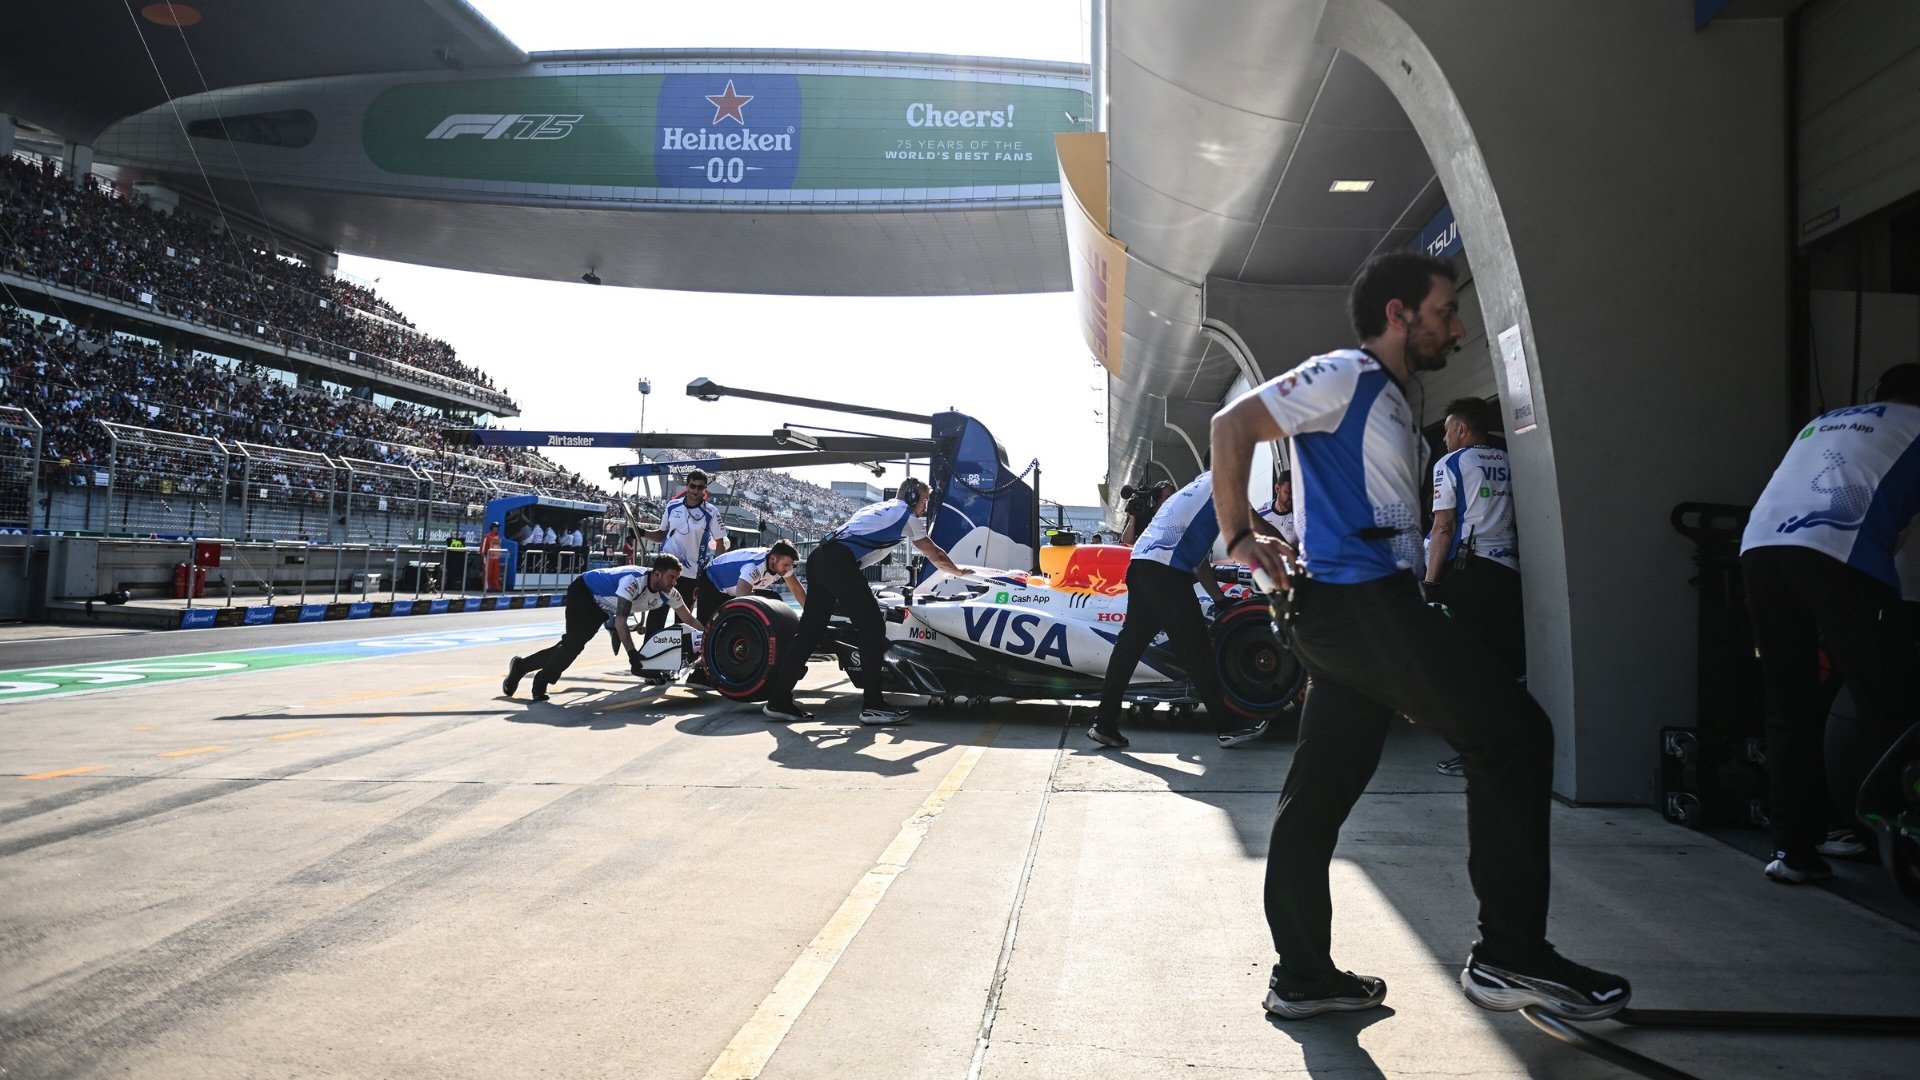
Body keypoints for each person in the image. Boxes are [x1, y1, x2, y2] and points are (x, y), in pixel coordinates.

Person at [1208, 251, 1629, 1022]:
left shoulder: (1394, 400)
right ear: (1399, 314)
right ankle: (1509, 955)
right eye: (1444, 311)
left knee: (1318, 798)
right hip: (1356, 607)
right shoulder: (1344, 372)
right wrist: (1239, 532)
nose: (1457, 326)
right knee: (1513, 737)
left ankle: (1302, 975)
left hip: (1357, 612)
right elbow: (1231, 423)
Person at [1740, 363, 1920, 884]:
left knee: (1790, 707)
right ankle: (1895, 840)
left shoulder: (1824, 423)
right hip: (1842, 554)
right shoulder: (1914, 425)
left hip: (1762, 552)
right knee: (1892, 703)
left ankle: (1795, 851)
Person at [761, 476, 969, 725]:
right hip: (839, 563)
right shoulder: (907, 516)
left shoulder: (877, 508)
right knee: (872, 627)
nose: (925, 507)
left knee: (809, 632)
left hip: (821, 557)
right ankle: (873, 705)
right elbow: (935, 554)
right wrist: (960, 572)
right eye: (924, 500)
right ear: (912, 497)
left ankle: (778, 701)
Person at [1085, 470, 1245, 749]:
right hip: (1165, 573)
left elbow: (1198, 562)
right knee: (1197, 649)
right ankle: (1227, 727)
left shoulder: (1190, 494)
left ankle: (1104, 723)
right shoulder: (1222, 482)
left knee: (1128, 648)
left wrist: (1219, 600)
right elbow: (1250, 525)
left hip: (1141, 567)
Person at [1424, 397, 1524, 777]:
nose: (1445, 439)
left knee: (1465, 667)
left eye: (1448, 430)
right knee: (1504, 666)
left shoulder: (1451, 463)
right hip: (1509, 570)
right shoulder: (1507, 456)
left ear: (1462, 429)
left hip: (1469, 572)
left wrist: (1431, 583)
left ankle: (1476, 753)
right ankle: (1506, 748)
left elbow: (1444, 527)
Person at [502, 555, 707, 702]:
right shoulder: (633, 581)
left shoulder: (669, 592)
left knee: (571, 646)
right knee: (573, 644)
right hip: (586, 592)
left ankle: (522, 667)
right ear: (657, 574)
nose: (675, 582)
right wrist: (632, 655)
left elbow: (689, 619)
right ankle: (539, 680)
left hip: (603, 605)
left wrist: (707, 636)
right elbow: (620, 620)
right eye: (672, 577)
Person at [640, 469, 719, 635]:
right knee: (656, 617)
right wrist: (642, 532)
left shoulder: (711, 512)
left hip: (690, 575)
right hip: (664, 571)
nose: (696, 491)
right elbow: (661, 535)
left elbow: (720, 543)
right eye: (693, 486)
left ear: (705, 489)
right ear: (687, 485)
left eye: (700, 487)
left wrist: (717, 572)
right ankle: (647, 657)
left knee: (683, 623)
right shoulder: (671, 506)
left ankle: (684, 658)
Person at [698, 538, 807, 624]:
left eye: (791, 565)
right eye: (786, 565)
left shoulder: (782, 565)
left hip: (734, 589)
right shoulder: (754, 566)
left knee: (774, 599)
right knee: (707, 626)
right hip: (712, 582)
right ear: (773, 558)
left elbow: (796, 589)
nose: (788, 569)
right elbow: (742, 598)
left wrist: (810, 614)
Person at [1254, 470, 1298, 554]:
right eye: (1289, 492)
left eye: (1296, 492)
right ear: (1277, 489)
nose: (1293, 496)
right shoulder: (1261, 514)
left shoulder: (1302, 514)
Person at [1119, 479, 1173, 545]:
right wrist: (1132, 518)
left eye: (1173, 496)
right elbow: (1127, 542)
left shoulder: (1176, 518)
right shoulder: (1143, 516)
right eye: (1167, 497)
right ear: (1157, 498)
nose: (1171, 500)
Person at [480, 520, 503, 591]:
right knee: (487, 572)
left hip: (496, 557)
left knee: (496, 572)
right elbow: (482, 547)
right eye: (495, 527)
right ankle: (487, 586)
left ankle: (495, 586)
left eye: (497, 527)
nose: (496, 528)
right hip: (488, 557)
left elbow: (499, 546)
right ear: (492, 527)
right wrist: (483, 554)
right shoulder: (487, 536)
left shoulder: (498, 537)